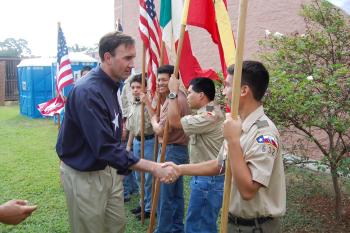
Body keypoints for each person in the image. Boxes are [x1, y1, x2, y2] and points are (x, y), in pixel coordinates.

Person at [56, 32, 178, 233]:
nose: (132, 64)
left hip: (109, 169)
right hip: (85, 175)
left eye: (133, 57)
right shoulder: (88, 91)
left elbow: (113, 131)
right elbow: (104, 146)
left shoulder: (114, 85)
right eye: (127, 58)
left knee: (116, 226)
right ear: (107, 57)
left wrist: (119, 170)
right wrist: (154, 167)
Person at [164, 61, 286, 233]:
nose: (223, 91)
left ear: (243, 91)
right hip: (233, 223)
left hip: (256, 227)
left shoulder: (264, 133)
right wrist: (179, 169)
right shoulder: (238, 124)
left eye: (227, 86)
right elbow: (220, 164)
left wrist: (233, 141)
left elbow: (248, 190)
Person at [167, 76, 225, 233]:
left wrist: (173, 92)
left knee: (199, 226)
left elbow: (174, 121)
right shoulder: (206, 110)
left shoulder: (210, 115)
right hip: (205, 178)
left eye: (190, 93)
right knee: (200, 223)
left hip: (209, 180)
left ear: (201, 95)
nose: (187, 97)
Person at [141, 64, 191, 233]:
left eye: (163, 80)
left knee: (164, 196)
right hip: (177, 149)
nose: (160, 83)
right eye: (159, 80)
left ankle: (163, 229)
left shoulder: (173, 100)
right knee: (175, 195)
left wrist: (154, 120)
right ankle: (176, 228)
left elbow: (161, 130)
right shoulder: (178, 97)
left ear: (173, 80)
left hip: (170, 150)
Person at [125, 74, 155, 220]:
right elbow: (131, 128)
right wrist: (129, 145)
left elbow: (155, 119)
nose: (136, 90)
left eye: (138, 87)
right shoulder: (133, 104)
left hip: (149, 142)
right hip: (137, 142)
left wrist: (148, 102)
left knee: (148, 177)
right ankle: (142, 204)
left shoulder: (151, 102)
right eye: (133, 87)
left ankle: (149, 208)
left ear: (145, 88)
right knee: (138, 176)